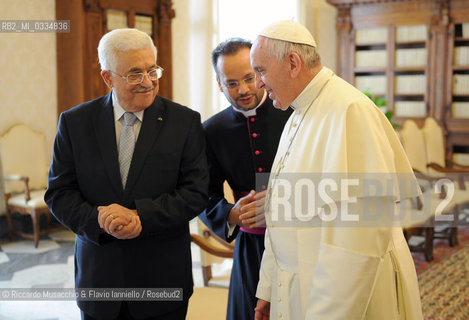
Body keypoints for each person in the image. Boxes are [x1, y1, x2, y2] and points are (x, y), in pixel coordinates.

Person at [250, 21, 423, 319]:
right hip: (296, 285)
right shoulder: (297, 114)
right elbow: (279, 210)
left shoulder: (349, 111)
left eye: (261, 71)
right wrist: (269, 289)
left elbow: (357, 243)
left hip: (342, 299)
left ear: (293, 63)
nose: (257, 84)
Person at [45, 28, 208, 320]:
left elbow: (195, 193)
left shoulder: (185, 121)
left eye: (152, 71)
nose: (147, 83)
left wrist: (139, 217)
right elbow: (59, 193)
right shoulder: (75, 123)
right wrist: (99, 219)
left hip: (162, 281)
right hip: (100, 279)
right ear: (108, 77)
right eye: (134, 74)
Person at [200, 38, 292, 320]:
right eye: (231, 83)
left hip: (297, 238)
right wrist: (231, 214)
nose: (243, 90)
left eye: (250, 78)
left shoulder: (293, 114)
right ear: (219, 84)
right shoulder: (211, 131)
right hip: (250, 247)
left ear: (260, 72)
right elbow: (203, 193)